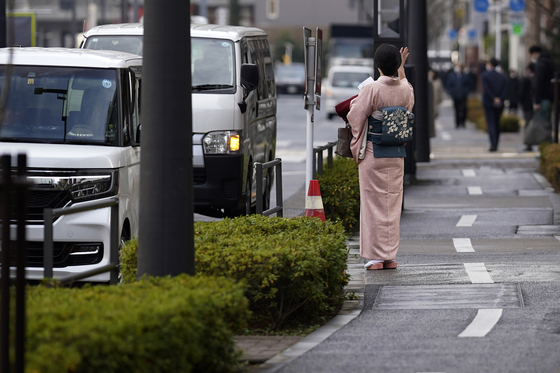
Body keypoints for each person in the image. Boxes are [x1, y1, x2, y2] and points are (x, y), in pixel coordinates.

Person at [346, 44, 414, 270]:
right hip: (396, 153)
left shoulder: (372, 89)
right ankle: (389, 256)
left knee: (371, 203)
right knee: (391, 205)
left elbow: (355, 116)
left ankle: (375, 258)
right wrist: (401, 67)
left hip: (374, 152)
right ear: (397, 65)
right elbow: (408, 96)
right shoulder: (405, 89)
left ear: (377, 65)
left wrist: (357, 141)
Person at [482, 57, 509, 152]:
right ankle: (496, 143)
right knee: (497, 123)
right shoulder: (502, 76)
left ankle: (492, 144)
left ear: (490, 64)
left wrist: (493, 98)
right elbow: (505, 90)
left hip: (489, 103)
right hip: (499, 104)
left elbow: (486, 89)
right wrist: (499, 99)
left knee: (491, 124)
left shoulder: (485, 75)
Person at [529, 45, 556, 131]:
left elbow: (538, 83)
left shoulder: (540, 64)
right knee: (547, 122)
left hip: (542, 98)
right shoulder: (551, 62)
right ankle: (548, 142)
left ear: (535, 53)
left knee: (542, 123)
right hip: (551, 97)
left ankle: (544, 142)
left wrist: (537, 101)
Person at [445, 62, 472, 128]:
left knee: (464, 109)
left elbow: (468, 85)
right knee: (456, 109)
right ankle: (457, 123)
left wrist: (466, 92)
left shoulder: (465, 75)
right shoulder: (451, 76)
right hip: (455, 95)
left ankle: (463, 122)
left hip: (463, 95)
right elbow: (449, 85)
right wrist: (451, 93)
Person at [519, 63, 535, 151]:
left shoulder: (526, 81)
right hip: (530, 105)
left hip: (528, 106)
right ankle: (529, 144)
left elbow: (521, 93)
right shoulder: (529, 80)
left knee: (528, 124)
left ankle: (529, 144)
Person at [428, 68, 444, 138]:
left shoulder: (438, 81)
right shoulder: (428, 81)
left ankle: (432, 132)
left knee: (433, 116)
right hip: (429, 103)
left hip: (435, 102)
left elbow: (441, 92)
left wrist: (440, 100)